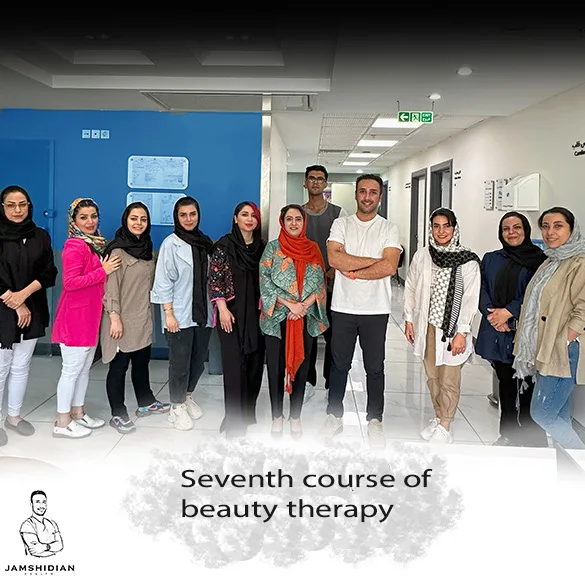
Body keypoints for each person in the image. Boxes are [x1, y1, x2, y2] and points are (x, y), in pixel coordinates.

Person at [318, 174, 402, 449]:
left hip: (376, 309)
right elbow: (334, 258)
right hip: (343, 307)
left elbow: (389, 267)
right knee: (339, 364)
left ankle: (375, 420)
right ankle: (334, 416)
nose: (367, 197)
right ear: (356, 194)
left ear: (380, 196)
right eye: (363, 191)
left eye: (373, 192)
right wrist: (374, 261)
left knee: (374, 367)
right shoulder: (341, 224)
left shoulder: (389, 228)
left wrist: (353, 271)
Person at [403, 208, 480, 444]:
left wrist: (462, 332)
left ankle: (446, 424)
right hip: (427, 326)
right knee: (432, 376)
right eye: (436, 226)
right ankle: (438, 417)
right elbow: (411, 287)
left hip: (453, 329)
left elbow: (470, 299)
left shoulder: (467, 260)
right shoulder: (423, 255)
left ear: (454, 228)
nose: (441, 231)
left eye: (446, 226)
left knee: (449, 378)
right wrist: (408, 318)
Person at [513, 206, 585, 450]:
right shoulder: (552, 260)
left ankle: (580, 459)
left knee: (542, 414)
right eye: (545, 226)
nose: (550, 232)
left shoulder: (579, 262)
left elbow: (583, 308)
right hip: (546, 346)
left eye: (558, 226)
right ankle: (567, 466)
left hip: (562, 350)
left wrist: (564, 340)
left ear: (572, 230)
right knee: (558, 414)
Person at [475, 212, 548, 447]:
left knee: (527, 388)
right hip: (497, 332)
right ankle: (507, 436)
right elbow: (481, 288)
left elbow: (536, 293)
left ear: (525, 230)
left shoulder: (540, 261)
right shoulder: (491, 259)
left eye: (517, 227)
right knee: (506, 384)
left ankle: (530, 440)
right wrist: (493, 315)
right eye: (506, 228)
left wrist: (508, 312)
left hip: (524, 333)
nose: (511, 232)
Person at [52, 198, 121, 439]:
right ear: (74, 221)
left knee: (83, 370)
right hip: (75, 318)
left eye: (93, 216)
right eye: (83, 217)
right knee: (71, 370)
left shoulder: (95, 244)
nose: (90, 222)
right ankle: (62, 422)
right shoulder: (75, 245)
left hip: (90, 317)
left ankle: (78, 413)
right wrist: (102, 271)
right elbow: (70, 283)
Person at [100, 202, 170, 434]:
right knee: (119, 367)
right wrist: (114, 317)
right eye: (134, 218)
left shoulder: (146, 248)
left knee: (141, 362)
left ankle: (146, 402)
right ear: (125, 220)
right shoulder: (117, 251)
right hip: (121, 319)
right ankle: (118, 413)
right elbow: (111, 287)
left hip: (142, 318)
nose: (138, 223)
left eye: (143, 219)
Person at [259, 204, 328, 439]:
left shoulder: (313, 248)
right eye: (289, 219)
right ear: (282, 222)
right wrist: (290, 305)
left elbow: (320, 283)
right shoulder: (273, 248)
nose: (294, 223)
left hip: (304, 317)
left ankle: (295, 417)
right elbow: (264, 281)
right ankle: (277, 417)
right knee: (276, 368)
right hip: (277, 317)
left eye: (298, 219)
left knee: (302, 367)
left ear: (304, 222)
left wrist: (303, 306)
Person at [0, 186, 57, 446]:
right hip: (2, 309)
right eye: (11, 205)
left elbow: (49, 273)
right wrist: (14, 301)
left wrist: (23, 296)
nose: (17, 210)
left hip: (32, 307)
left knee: (21, 366)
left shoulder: (39, 236)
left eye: (22, 204)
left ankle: (14, 417)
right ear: (2, 208)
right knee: (1, 367)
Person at [151, 196, 214, 431]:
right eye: (183, 215)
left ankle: (187, 397)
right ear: (176, 218)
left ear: (198, 215)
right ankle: (176, 407)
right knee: (180, 362)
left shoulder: (205, 243)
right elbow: (163, 281)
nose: (188, 219)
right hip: (178, 313)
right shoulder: (171, 244)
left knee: (198, 360)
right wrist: (169, 314)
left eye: (192, 214)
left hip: (203, 313)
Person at [209, 201, 266, 438]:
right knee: (234, 367)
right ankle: (233, 421)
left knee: (254, 363)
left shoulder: (262, 247)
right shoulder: (224, 246)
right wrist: (222, 308)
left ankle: (247, 414)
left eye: (253, 215)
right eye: (244, 214)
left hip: (256, 314)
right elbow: (215, 280)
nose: (249, 219)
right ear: (235, 219)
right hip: (230, 314)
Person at [302, 165, 347, 401]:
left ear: (326, 183)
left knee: (333, 338)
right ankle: (307, 381)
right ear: (305, 183)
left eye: (320, 179)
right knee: (307, 337)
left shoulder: (339, 213)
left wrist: (331, 272)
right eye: (312, 178)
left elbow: (346, 248)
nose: (316, 182)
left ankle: (332, 383)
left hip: (333, 285)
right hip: (304, 288)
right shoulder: (298, 214)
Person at [20, 490, 63, 557]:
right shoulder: (27, 525)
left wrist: (45, 547)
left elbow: (60, 545)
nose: (41, 506)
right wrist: (54, 550)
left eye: (44, 502)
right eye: (37, 502)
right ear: (31, 504)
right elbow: (35, 552)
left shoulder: (52, 523)